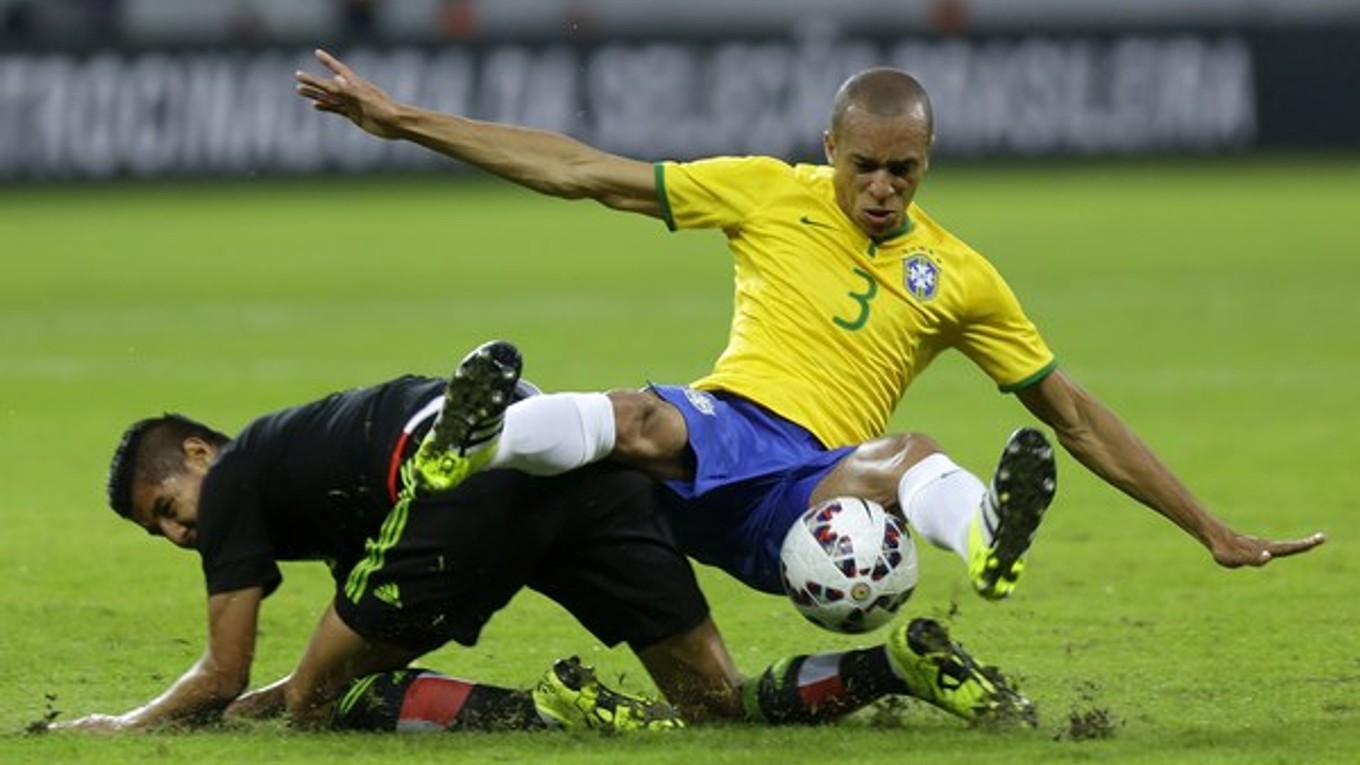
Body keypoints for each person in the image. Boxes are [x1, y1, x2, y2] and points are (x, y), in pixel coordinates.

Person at [294, 51, 1324, 604]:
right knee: (646, 418)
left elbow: (1077, 419)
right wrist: (407, 121)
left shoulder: (961, 275)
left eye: (901, 170)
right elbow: (577, 170)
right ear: (827, 146)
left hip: (804, 496)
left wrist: (1208, 530)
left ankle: (989, 542)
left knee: (903, 455)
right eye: (860, 165)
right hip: (725, 430)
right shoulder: (763, 192)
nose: (877, 188)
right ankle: (471, 442)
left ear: (928, 160)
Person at [51, 370, 1034, 734]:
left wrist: (126, 724)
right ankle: (889, 666)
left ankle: (544, 712)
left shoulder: (242, 477)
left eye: (167, 506)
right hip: (586, 477)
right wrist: (293, 685)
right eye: (162, 530)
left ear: (196, 453)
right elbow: (355, 631)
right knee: (713, 706)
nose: (180, 531)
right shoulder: (313, 483)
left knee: (318, 703)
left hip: (457, 490)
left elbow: (226, 672)